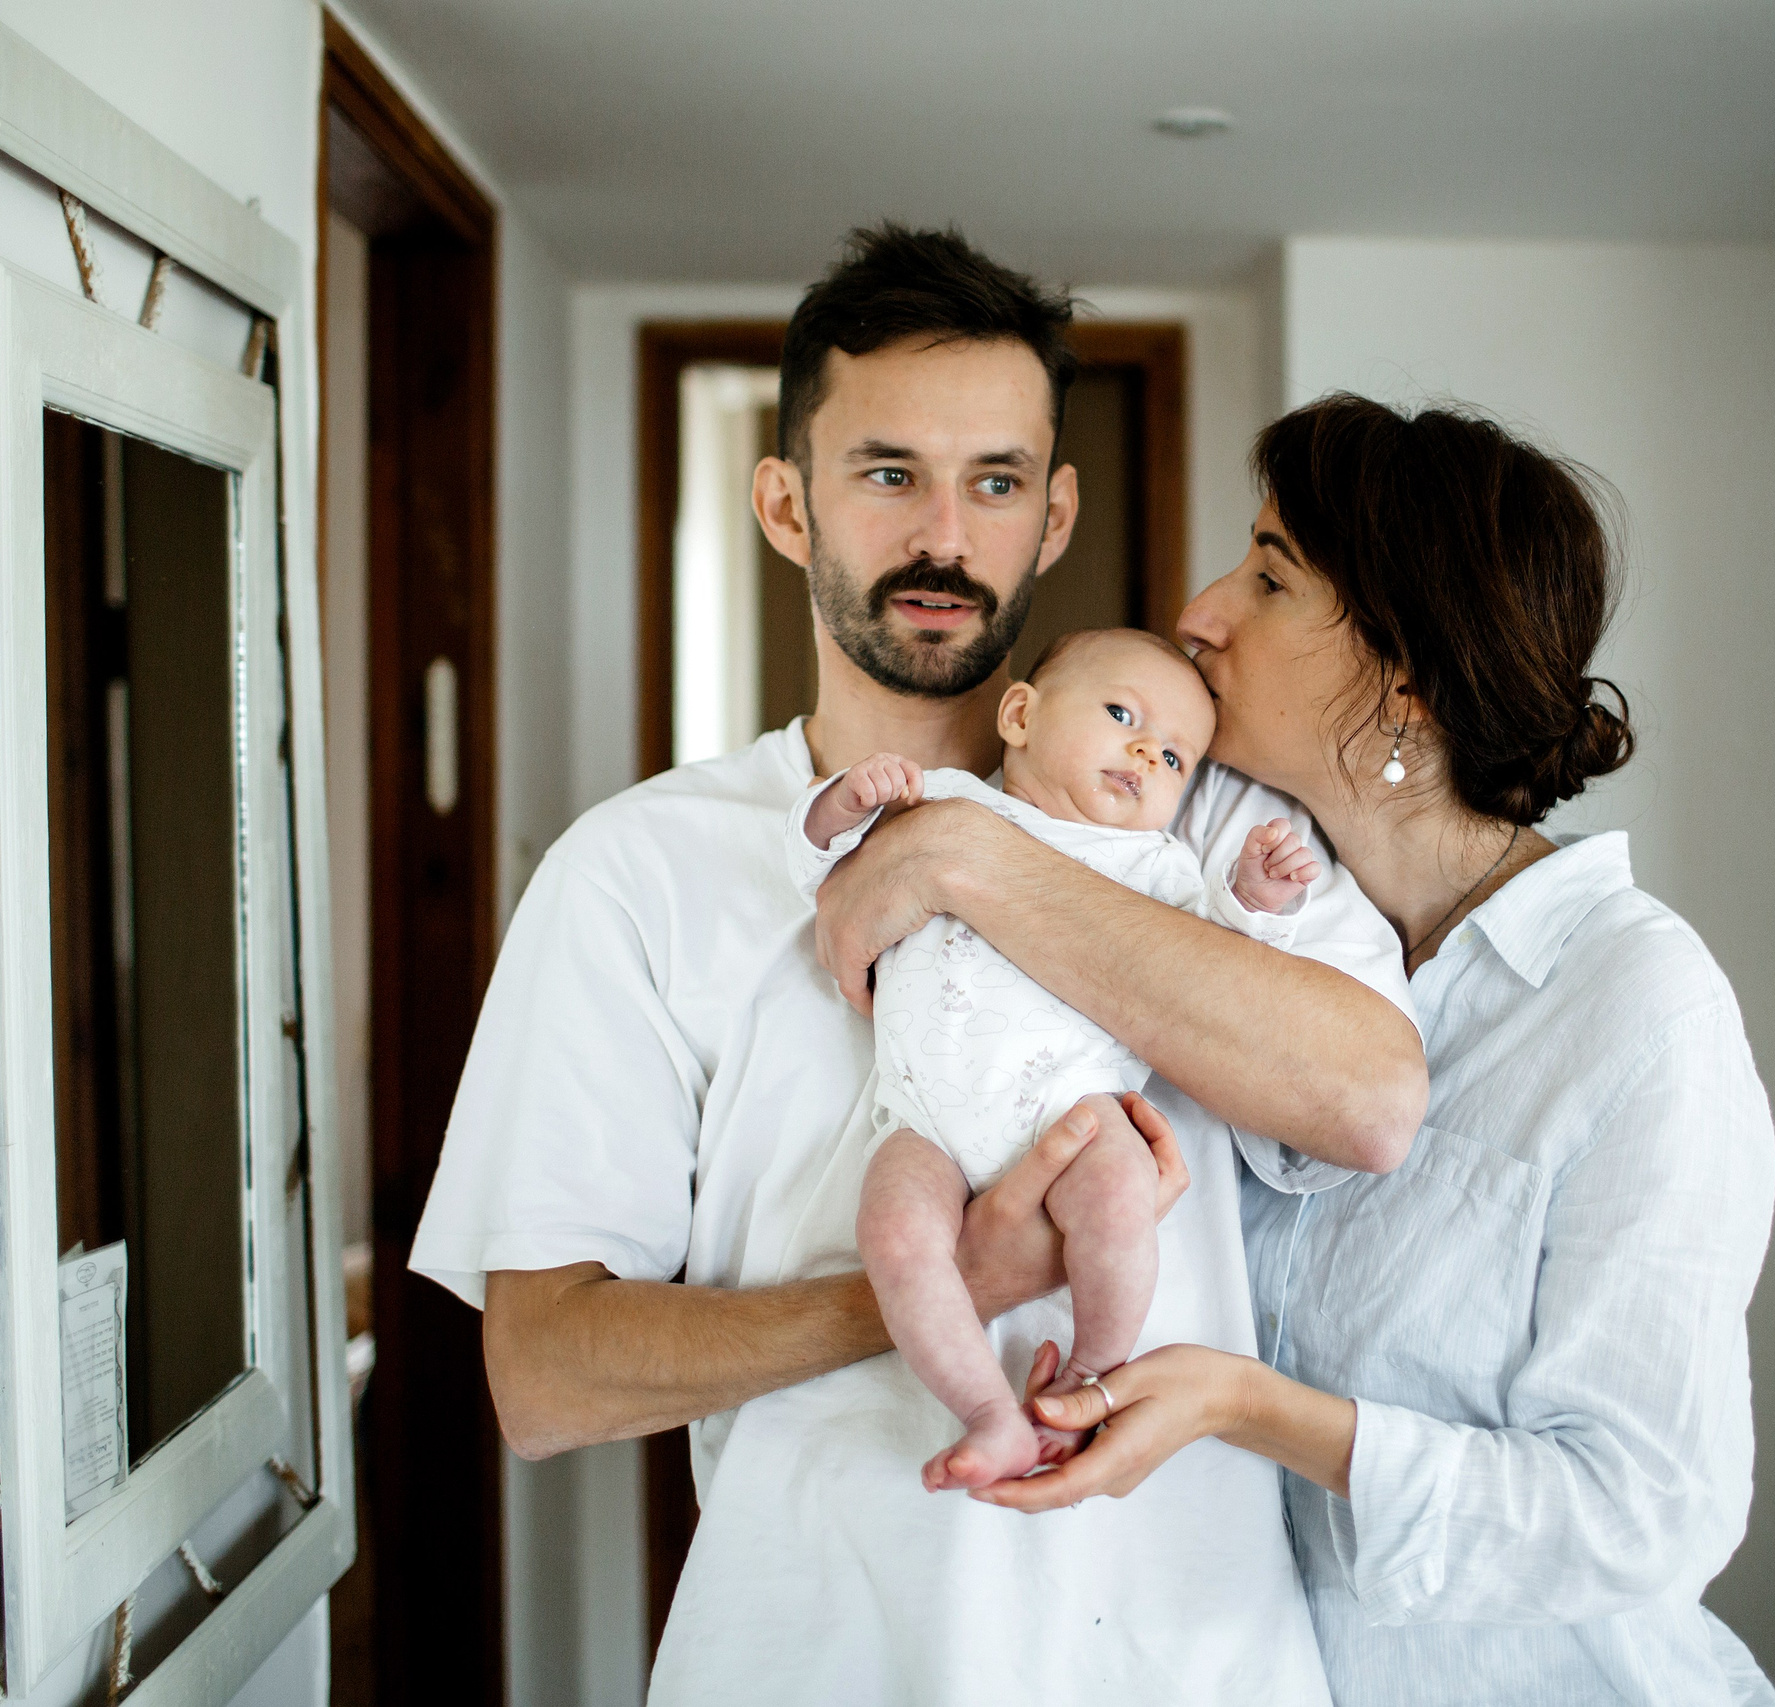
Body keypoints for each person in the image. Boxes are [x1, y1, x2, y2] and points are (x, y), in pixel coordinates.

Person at [408, 227, 1426, 1704]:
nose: (945, 534)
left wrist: (970, 860)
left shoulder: (1206, 819)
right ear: (783, 501)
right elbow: (545, 1375)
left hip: (1189, 1661)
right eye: (888, 473)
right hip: (811, 1659)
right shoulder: (636, 871)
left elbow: (1372, 1097)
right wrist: (934, 1285)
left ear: (1055, 515)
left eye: (996, 482)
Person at [827, 395, 1775, 1704]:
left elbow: (1646, 1513)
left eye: (1271, 574)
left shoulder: (1633, 1004)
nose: (1204, 610)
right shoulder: (1212, 866)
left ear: (1404, 674)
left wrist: (1248, 1404)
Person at [794, 627, 1321, 1491]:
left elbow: (1219, 970)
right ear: (1020, 714)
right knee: (893, 1236)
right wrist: (842, 806)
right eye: (1123, 715)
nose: (1148, 752)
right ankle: (987, 1411)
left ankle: (1088, 1381)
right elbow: (819, 869)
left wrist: (1255, 899)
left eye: (1177, 758)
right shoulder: (948, 807)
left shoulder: (1159, 867)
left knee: (1121, 1197)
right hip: (925, 1117)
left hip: (1073, 1112)